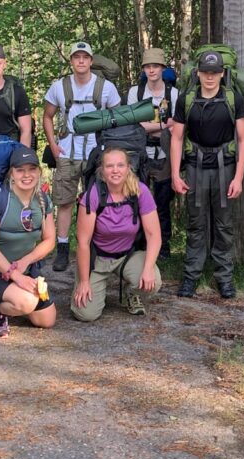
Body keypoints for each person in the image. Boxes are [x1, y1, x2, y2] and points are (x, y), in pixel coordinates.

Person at [170, 50, 244, 299]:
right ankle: (190, 278)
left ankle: (224, 279)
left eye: (215, 72)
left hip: (225, 167)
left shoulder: (233, 98)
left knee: (223, 225)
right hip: (195, 166)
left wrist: (238, 177)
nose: (210, 77)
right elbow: (177, 137)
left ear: (222, 73)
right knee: (196, 224)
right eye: (206, 72)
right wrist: (175, 173)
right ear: (198, 73)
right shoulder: (187, 99)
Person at [42, 41, 121, 272]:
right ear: (72, 61)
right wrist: (54, 147)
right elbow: (48, 116)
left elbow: (118, 118)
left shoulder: (105, 87)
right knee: (64, 201)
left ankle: (96, 248)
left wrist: (111, 149)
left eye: (85, 57)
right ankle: (63, 248)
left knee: (97, 203)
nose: (81, 61)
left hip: (97, 152)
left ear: (91, 61)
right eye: (76, 57)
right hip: (67, 151)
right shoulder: (59, 87)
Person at [71, 147, 162, 321]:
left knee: (154, 281)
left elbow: (154, 235)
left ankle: (130, 293)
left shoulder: (140, 192)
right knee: (85, 314)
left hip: (127, 255)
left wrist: (149, 268)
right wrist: (84, 282)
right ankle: (93, 286)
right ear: (102, 170)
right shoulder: (93, 195)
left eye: (120, 165)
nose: (115, 170)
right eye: (109, 166)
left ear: (128, 168)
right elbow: (83, 242)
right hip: (97, 258)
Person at [0, 146, 58, 336]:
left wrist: (25, 262)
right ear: (11, 173)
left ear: (39, 172)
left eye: (32, 169)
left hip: (26, 269)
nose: (26, 175)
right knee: (27, 302)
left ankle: (17, 301)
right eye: (20, 170)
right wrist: (17, 277)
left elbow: (50, 240)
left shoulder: (43, 200)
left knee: (47, 320)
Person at [125, 47, 179, 261]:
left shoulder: (173, 93)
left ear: (162, 68)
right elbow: (133, 123)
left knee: (162, 202)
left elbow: (178, 124)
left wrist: (151, 125)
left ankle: (163, 248)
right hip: (139, 153)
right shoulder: (135, 92)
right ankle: (138, 246)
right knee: (136, 199)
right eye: (148, 66)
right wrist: (163, 125)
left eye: (155, 66)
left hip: (165, 154)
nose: (151, 70)